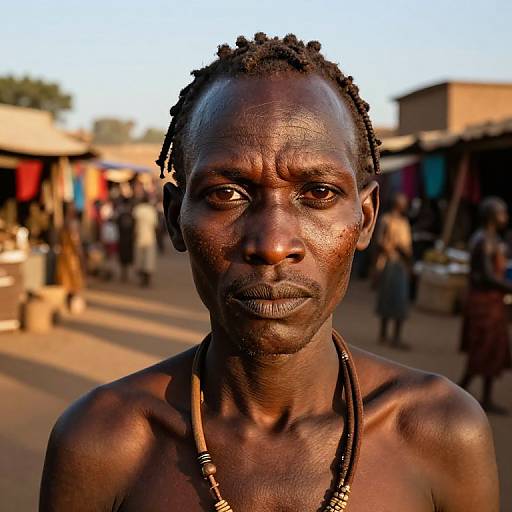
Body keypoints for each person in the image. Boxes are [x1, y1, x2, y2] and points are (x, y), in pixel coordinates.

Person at [40, 34, 499, 511]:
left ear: (365, 217)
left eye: (318, 193)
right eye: (227, 193)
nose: (274, 245)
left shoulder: (440, 432)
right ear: (175, 217)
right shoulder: (103, 443)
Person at [459, 197, 512, 414]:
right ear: (491, 215)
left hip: (493, 302)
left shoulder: (492, 239)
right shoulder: (483, 240)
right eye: (502, 213)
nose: (505, 217)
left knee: (492, 351)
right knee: (482, 350)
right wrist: (509, 287)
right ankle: (457, 391)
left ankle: (486, 398)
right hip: (484, 303)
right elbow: (487, 277)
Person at [375, 192, 412, 349]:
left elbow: (408, 246)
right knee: (387, 298)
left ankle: (396, 337)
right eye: (403, 203)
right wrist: (392, 247)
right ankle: (383, 334)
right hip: (389, 263)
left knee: (400, 300)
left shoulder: (404, 222)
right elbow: (378, 241)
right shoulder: (386, 220)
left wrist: (406, 253)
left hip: (401, 264)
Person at [133, 194, 158, 287]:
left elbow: (134, 223)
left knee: (140, 258)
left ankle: (141, 279)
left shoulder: (137, 209)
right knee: (149, 259)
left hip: (139, 236)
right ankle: (147, 280)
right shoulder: (151, 210)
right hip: (150, 237)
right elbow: (155, 225)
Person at [116, 197, 135, 282]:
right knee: (126, 258)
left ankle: (124, 275)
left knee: (124, 258)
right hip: (127, 240)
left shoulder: (121, 215)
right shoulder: (130, 215)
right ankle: (125, 275)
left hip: (124, 240)